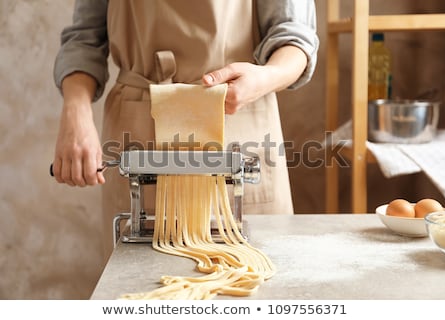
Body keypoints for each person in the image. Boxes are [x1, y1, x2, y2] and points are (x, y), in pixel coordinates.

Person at [52, 0, 319, 262]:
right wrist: (75, 112)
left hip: (237, 118)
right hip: (139, 124)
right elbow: (85, 38)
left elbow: (294, 35)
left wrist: (265, 77)